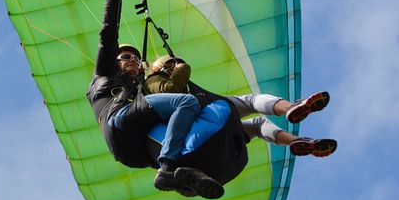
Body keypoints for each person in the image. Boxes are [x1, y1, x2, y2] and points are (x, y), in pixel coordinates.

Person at [86, 0, 224, 200]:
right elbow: (108, 30)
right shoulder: (104, 72)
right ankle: (168, 167)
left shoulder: (138, 86)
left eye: (137, 59)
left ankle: (179, 175)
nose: (132, 61)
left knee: (181, 138)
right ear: (115, 60)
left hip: (133, 151)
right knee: (185, 104)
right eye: (126, 56)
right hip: (118, 120)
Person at [144, 55, 337, 157]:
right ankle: (290, 108)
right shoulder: (153, 81)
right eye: (172, 62)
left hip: (209, 133)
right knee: (252, 101)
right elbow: (170, 88)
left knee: (258, 124)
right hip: (201, 124)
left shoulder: (181, 86)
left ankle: (297, 141)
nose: (177, 64)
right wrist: (181, 68)